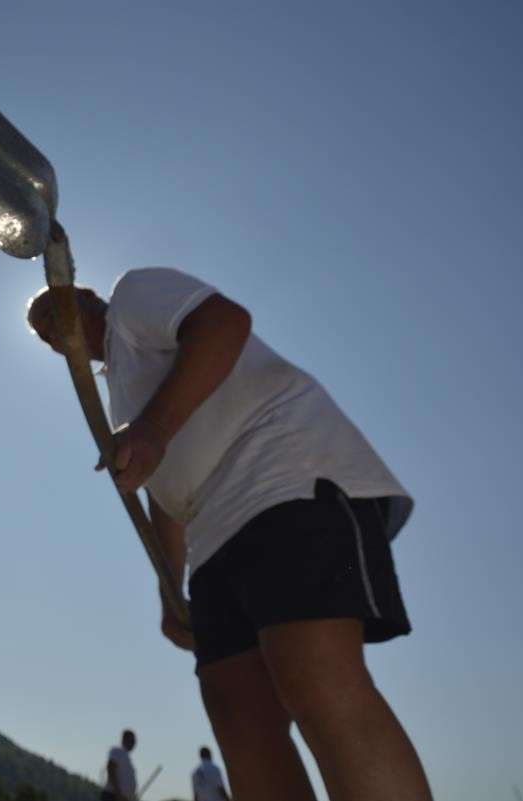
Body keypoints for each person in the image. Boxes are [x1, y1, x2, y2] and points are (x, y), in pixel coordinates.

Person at [27, 269, 432, 801]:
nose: (51, 332)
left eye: (52, 311)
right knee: (240, 721)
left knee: (315, 681)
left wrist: (152, 430)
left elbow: (224, 323)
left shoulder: (132, 298)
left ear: (84, 295)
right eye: (43, 333)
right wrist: (170, 589)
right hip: (212, 535)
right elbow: (163, 488)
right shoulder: (120, 388)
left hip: (285, 477)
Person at [102, 729, 138, 801]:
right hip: (113, 795)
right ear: (125, 739)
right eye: (132, 740)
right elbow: (111, 769)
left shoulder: (127, 758)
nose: (134, 743)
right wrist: (118, 793)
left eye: (134, 741)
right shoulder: (117, 751)